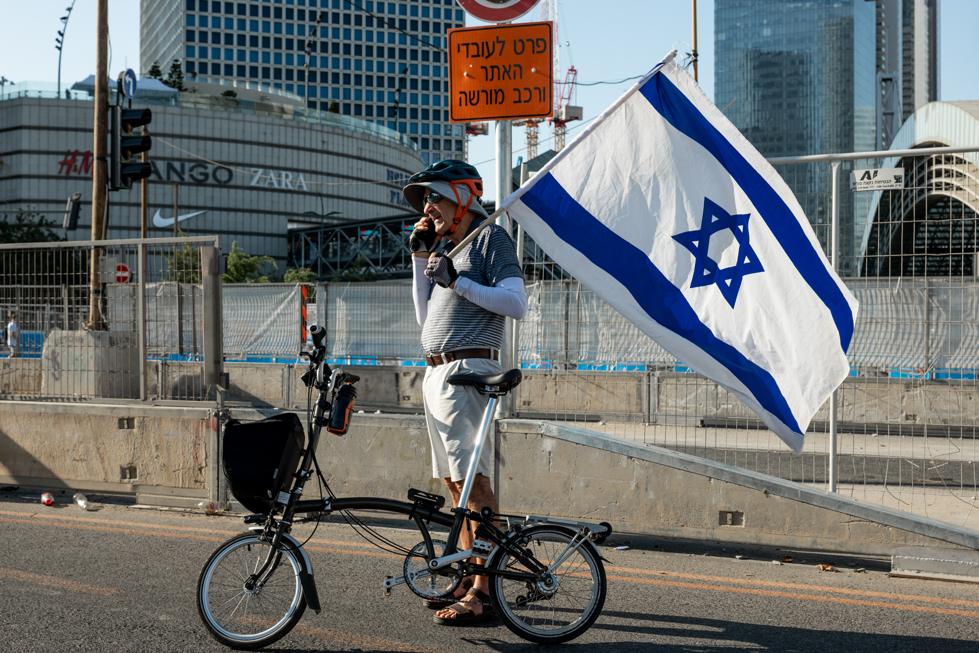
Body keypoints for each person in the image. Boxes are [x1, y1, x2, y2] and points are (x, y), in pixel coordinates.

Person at [403, 160, 527, 626]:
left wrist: (457, 279)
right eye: (425, 201)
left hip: (468, 368)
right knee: (455, 484)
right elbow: (424, 320)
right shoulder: (448, 247)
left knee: (474, 485)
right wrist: (421, 261)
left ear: (462, 197)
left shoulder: (490, 238)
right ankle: (466, 574)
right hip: (438, 371)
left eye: (434, 197)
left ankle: (483, 590)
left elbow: (516, 303)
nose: (427, 208)